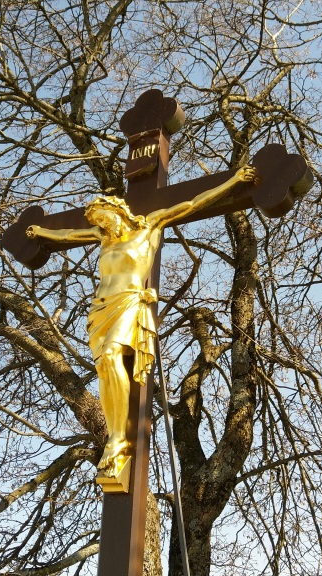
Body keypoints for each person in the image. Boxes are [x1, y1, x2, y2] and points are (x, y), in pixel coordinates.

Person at [26, 165, 260, 479]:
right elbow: (68, 234)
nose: (102, 225)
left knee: (113, 355)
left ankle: (119, 437)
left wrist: (233, 181)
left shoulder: (149, 226)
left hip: (129, 301)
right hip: (101, 308)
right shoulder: (102, 237)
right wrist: (41, 233)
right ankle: (114, 433)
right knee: (104, 367)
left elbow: (193, 203)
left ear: (117, 211)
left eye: (104, 218)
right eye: (97, 222)